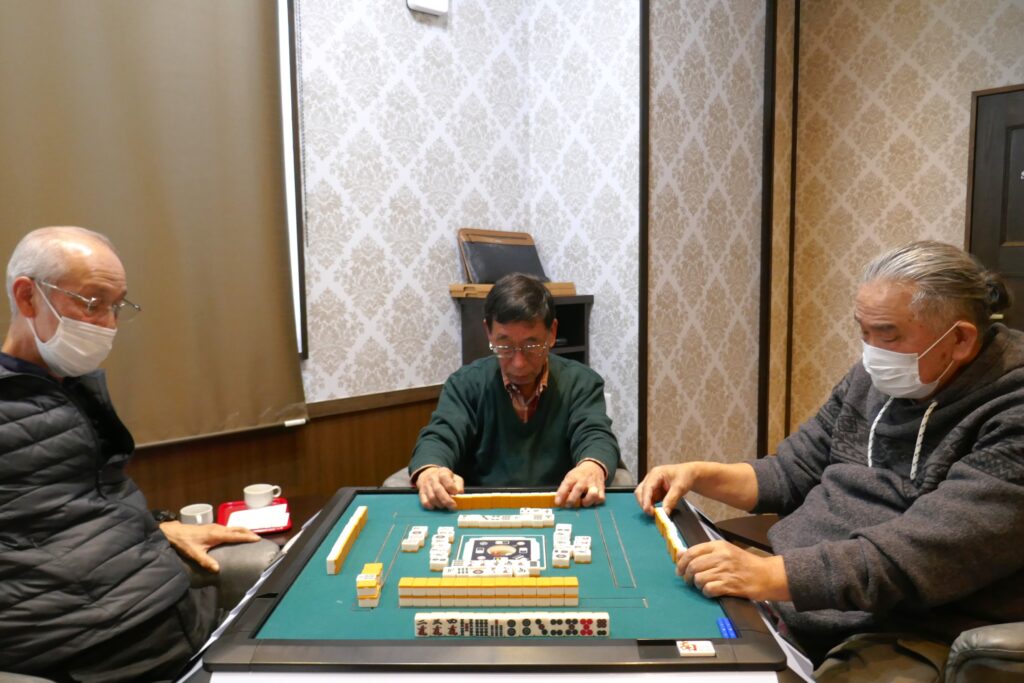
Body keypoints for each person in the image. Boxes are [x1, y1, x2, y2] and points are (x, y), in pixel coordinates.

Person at [636, 241, 1024, 680]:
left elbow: (921, 556)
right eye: (864, 332)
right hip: (796, 598)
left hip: (909, 625)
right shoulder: (877, 376)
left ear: (960, 339)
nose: (872, 352)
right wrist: (700, 475)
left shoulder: (1013, 408)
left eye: (888, 335)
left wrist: (769, 573)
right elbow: (792, 470)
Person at [0, 226, 260, 681]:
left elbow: (75, 499)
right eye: (92, 303)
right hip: (100, 650)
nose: (108, 324)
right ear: (27, 297)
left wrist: (159, 527)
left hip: (180, 619)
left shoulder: (71, 387)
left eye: (116, 307)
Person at [406, 273, 623, 510]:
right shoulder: (465, 384)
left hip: (561, 506)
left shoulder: (582, 382)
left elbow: (595, 434)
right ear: (488, 332)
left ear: (552, 333)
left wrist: (592, 467)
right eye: (504, 345)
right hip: (481, 508)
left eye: (532, 345)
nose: (518, 363)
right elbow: (440, 436)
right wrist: (431, 470)